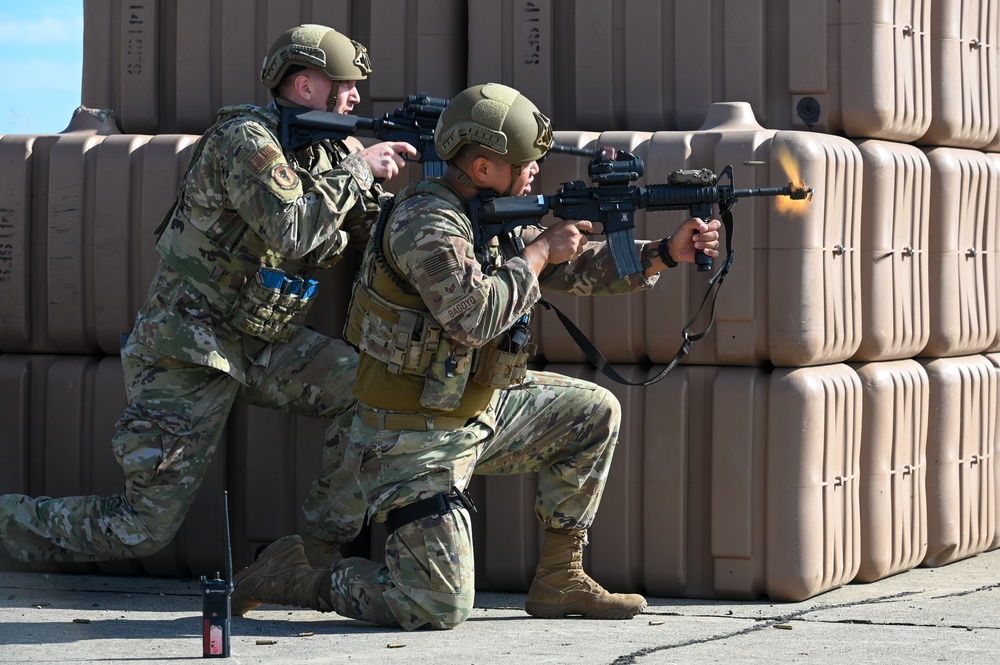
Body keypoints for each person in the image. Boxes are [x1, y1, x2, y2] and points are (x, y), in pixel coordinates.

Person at [228, 82, 721, 629]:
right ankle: (295, 576)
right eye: (526, 161)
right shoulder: (427, 222)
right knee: (435, 606)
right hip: (410, 437)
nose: (536, 170)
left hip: (477, 411)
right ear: (483, 167)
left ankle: (560, 577)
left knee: (593, 412)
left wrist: (664, 255)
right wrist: (535, 254)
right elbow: (472, 317)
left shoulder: (487, 213)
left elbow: (570, 266)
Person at [0, 24, 415, 569]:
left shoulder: (323, 153)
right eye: (347, 84)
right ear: (308, 87)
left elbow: (374, 236)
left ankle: (316, 553)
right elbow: (293, 229)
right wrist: (358, 167)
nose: (357, 96)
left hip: (261, 343)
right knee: (141, 529)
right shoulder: (245, 140)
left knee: (370, 394)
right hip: (188, 347)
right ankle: (8, 524)